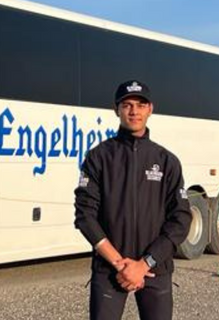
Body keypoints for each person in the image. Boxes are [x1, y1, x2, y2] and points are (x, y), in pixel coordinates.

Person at [74, 80, 191, 320]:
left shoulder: (167, 161)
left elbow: (180, 218)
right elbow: (85, 216)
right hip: (110, 269)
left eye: (140, 104)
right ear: (116, 110)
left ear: (150, 109)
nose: (134, 111)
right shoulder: (99, 157)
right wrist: (120, 264)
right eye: (127, 105)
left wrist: (144, 264)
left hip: (154, 268)